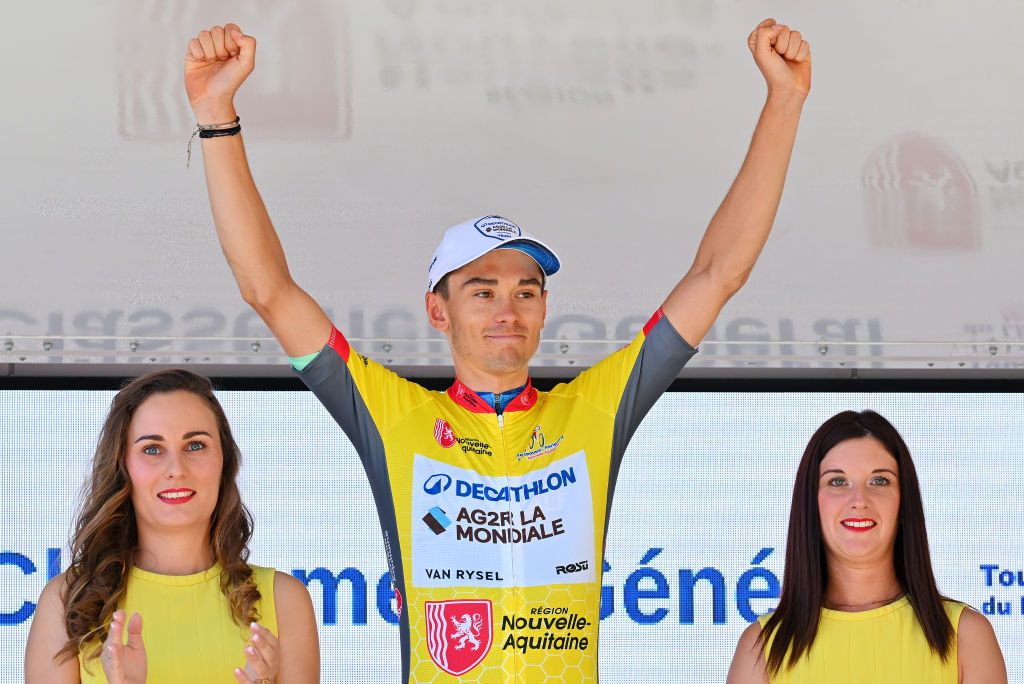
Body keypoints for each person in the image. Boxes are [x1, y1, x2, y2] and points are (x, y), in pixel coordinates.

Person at [184, 17, 811, 682]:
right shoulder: (396, 418)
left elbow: (719, 273)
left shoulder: (591, 413)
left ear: (545, 308)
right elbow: (269, 290)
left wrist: (785, 101)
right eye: (481, 292)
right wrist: (217, 116)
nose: (508, 311)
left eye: (526, 291)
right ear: (438, 310)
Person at [24, 370, 320, 683]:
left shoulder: (285, 601)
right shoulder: (66, 601)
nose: (176, 469)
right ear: (123, 467)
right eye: (152, 449)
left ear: (225, 462)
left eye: (195, 445)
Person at [726, 410, 1007, 684]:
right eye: (837, 481)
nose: (859, 499)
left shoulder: (966, 637)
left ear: (903, 502)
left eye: (879, 480)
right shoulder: (760, 649)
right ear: (811, 503)